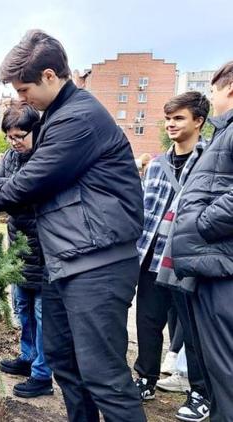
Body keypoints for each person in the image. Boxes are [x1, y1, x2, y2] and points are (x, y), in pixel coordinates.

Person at [0, 30, 146, 422]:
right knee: (64, 358)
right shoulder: (57, 116)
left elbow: (35, 180)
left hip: (98, 263)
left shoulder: (80, 118)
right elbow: (33, 174)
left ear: (48, 76)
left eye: (24, 88)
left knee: (104, 375)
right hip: (66, 262)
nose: (20, 97)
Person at [132, 91, 210, 422]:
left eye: (179, 118)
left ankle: (200, 392)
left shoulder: (210, 161)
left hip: (186, 260)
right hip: (151, 258)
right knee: (148, 323)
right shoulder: (158, 165)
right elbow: (145, 211)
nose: (171, 124)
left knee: (192, 330)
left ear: (199, 121)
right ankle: (145, 379)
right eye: (168, 118)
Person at [172, 60, 233, 422]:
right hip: (213, 264)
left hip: (222, 265)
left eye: (214, 90)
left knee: (226, 371)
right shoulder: (224, 132)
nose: (212, 99)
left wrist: (203, 223)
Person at [0, 102, 54, 399]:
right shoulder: (9, 156)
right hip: (18, 243)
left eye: (20, 136)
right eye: (10, 136)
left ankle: (43, 374)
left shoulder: (45, 156)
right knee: (24, 307)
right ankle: (27, 358)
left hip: (43, 246)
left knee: (43, 313)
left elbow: (22, 190)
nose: (15, 142)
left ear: (35, 130)